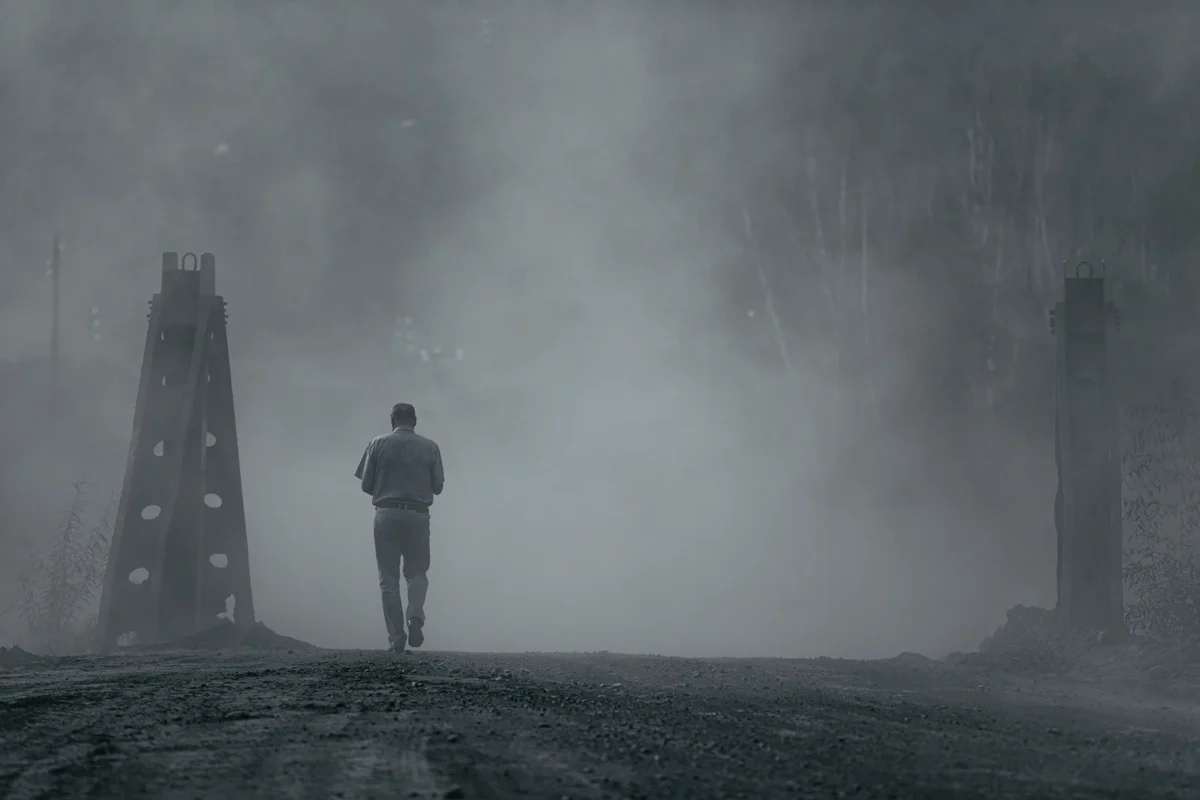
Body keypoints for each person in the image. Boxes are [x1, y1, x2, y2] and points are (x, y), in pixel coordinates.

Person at [354, 402, 445, 652]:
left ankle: (396, 639)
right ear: (414, 421)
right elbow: (438, 487)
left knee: (389, 579)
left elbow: (365, 485)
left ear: (392, 420)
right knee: (417, 571)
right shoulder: (430, 447)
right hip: (418, 514)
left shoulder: (377, 443)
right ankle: (415, 615)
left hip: (386, 513)